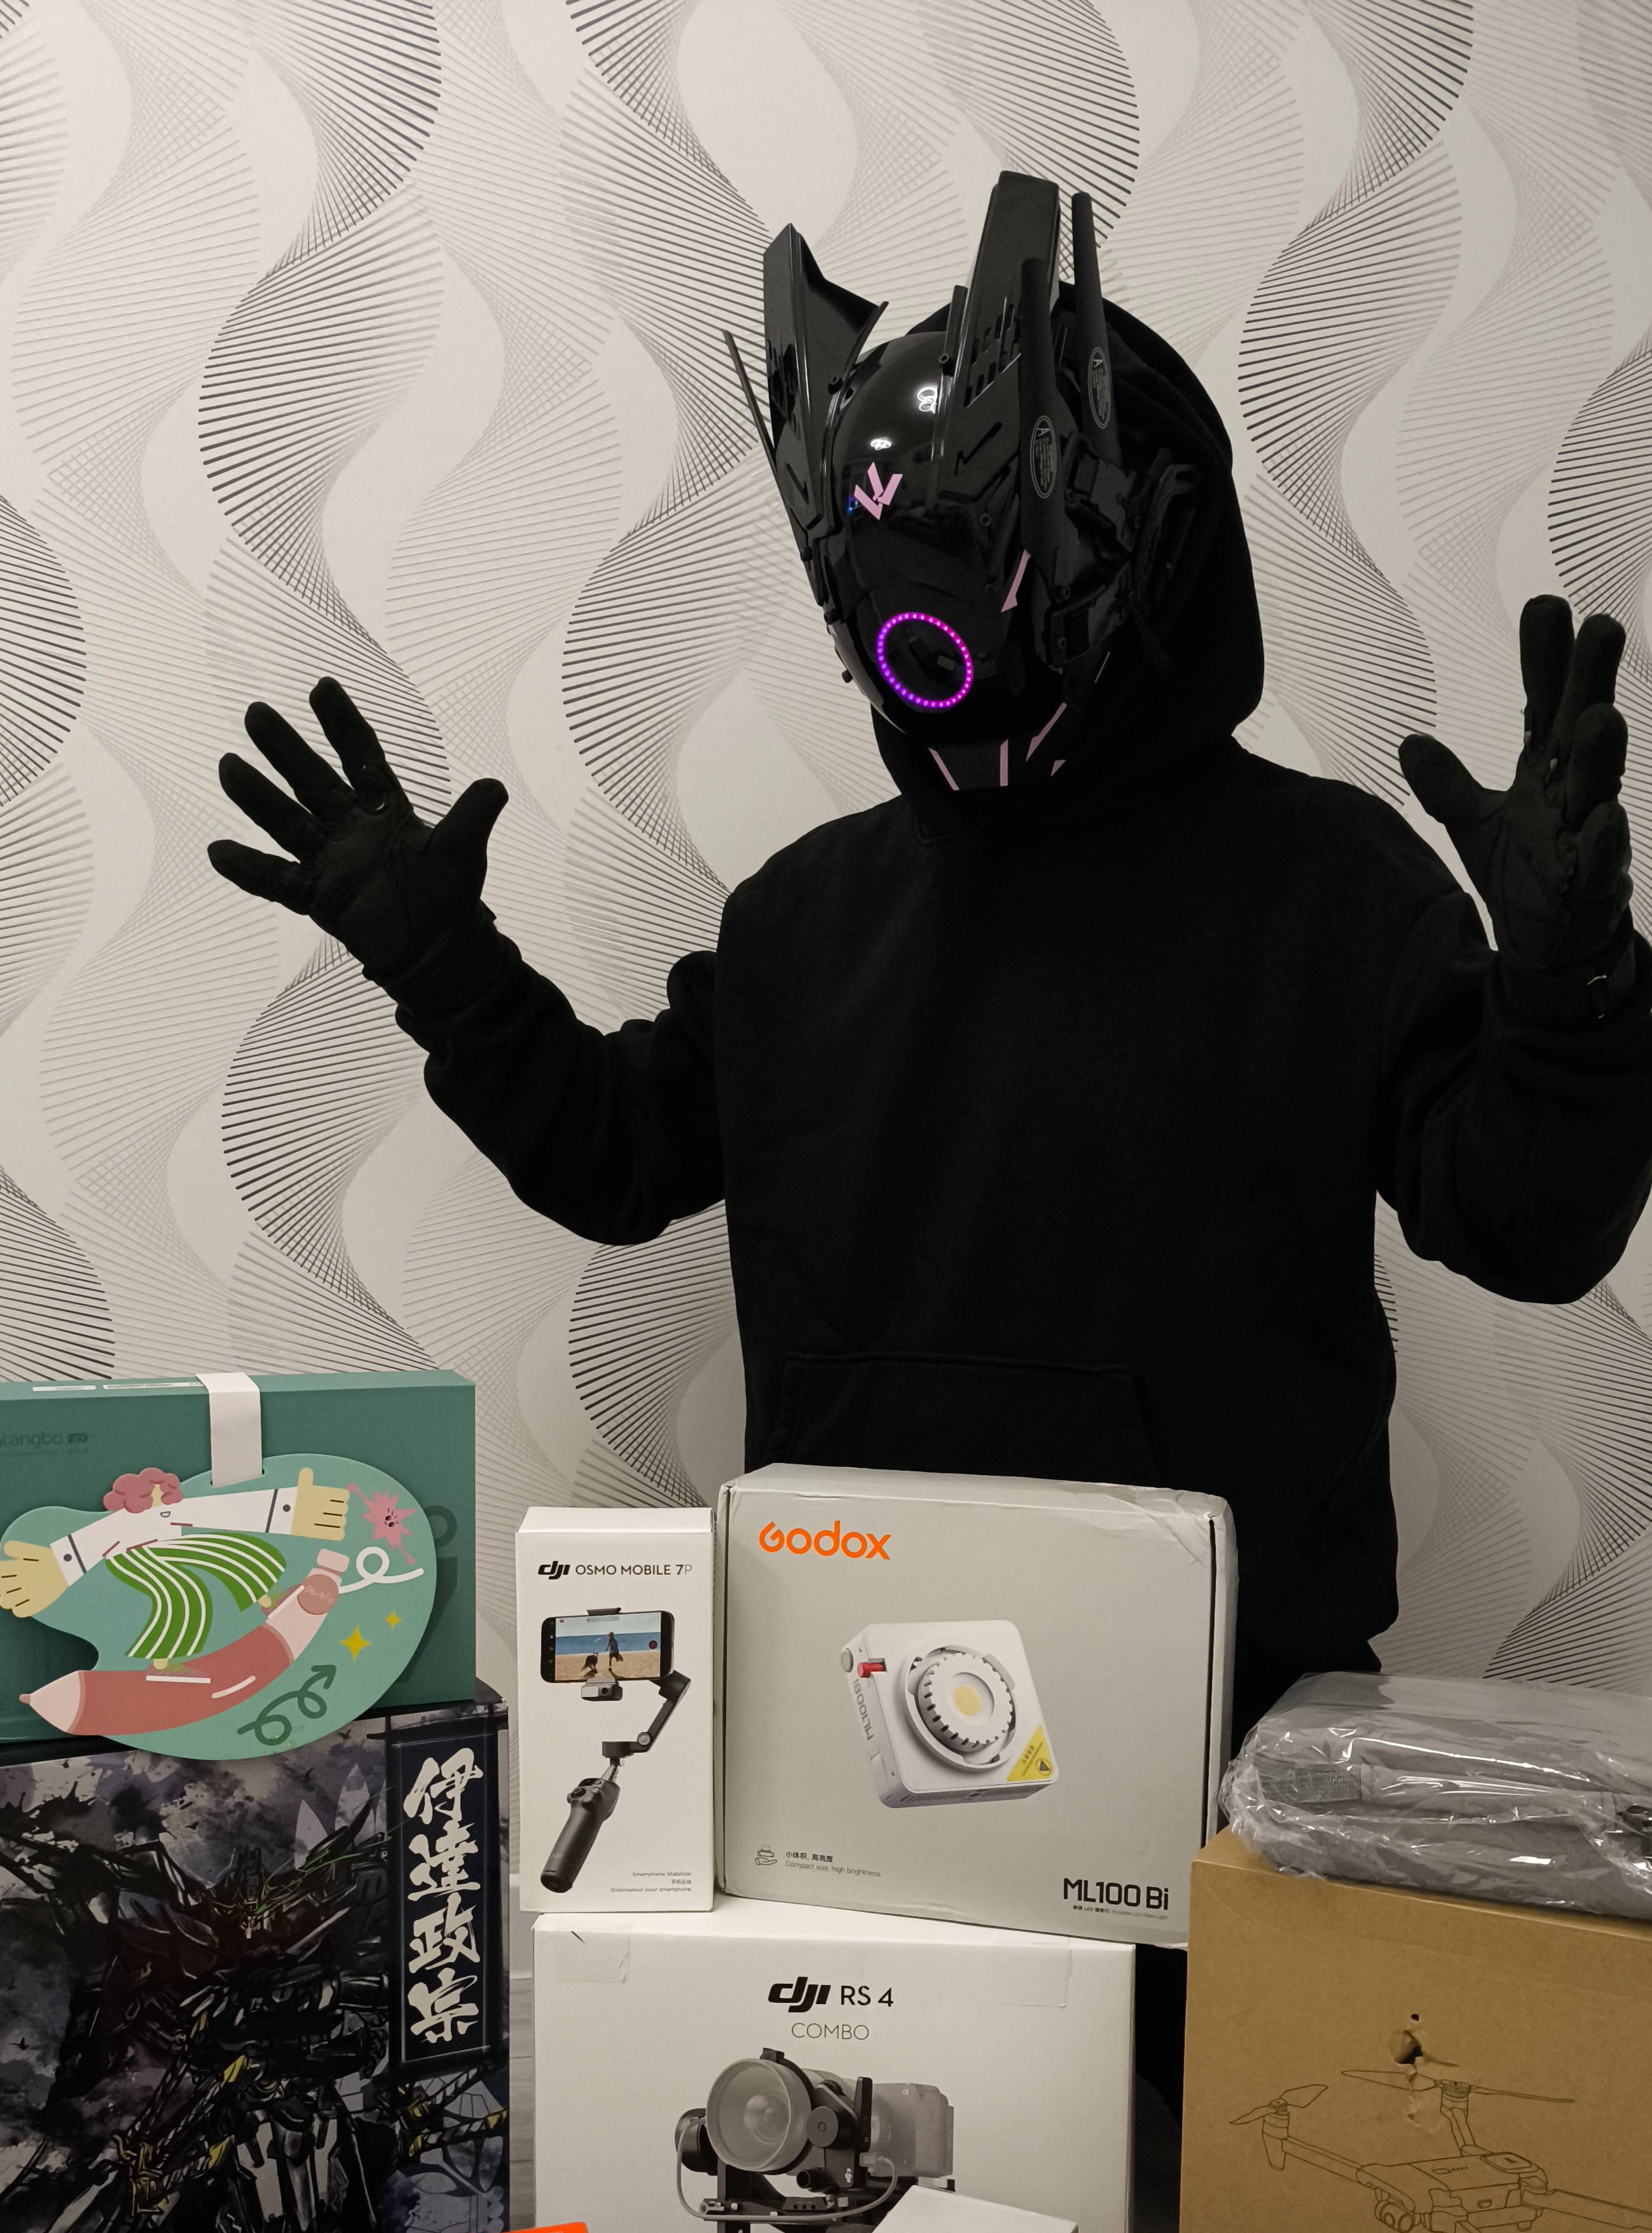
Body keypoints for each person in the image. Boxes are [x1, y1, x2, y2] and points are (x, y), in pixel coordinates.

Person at [209, 175, 1652, 2105]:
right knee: (858, 2181)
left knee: (1219, 2225)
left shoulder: (1324, 889)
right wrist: (443, 965)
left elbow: (1532, 1227)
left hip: (1222, 1753)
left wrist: (1571, 982)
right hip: (861, 1734)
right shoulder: (813, 916)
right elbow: (618, 1157)